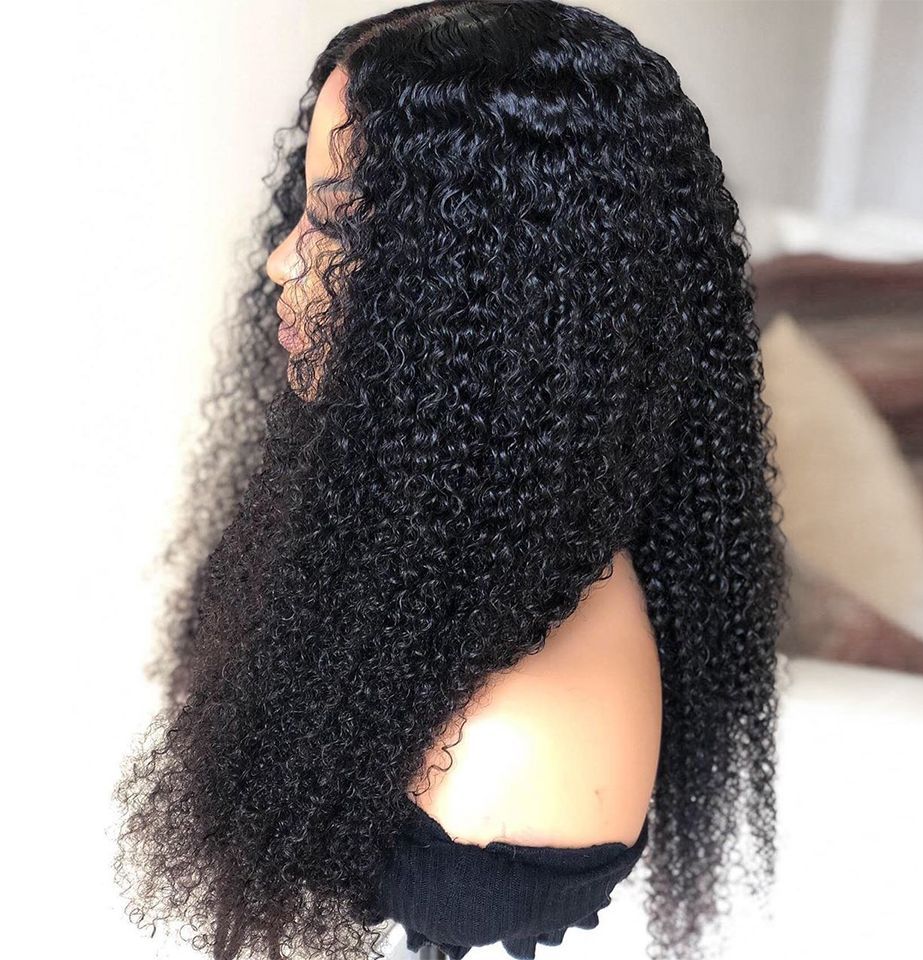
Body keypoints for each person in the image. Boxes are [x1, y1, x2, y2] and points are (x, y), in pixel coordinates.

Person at [113, 4, 789, 960]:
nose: (282, 259)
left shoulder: (519, 734)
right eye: (303, 209)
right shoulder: (411, 531)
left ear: (492, 284)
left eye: (338, 220)